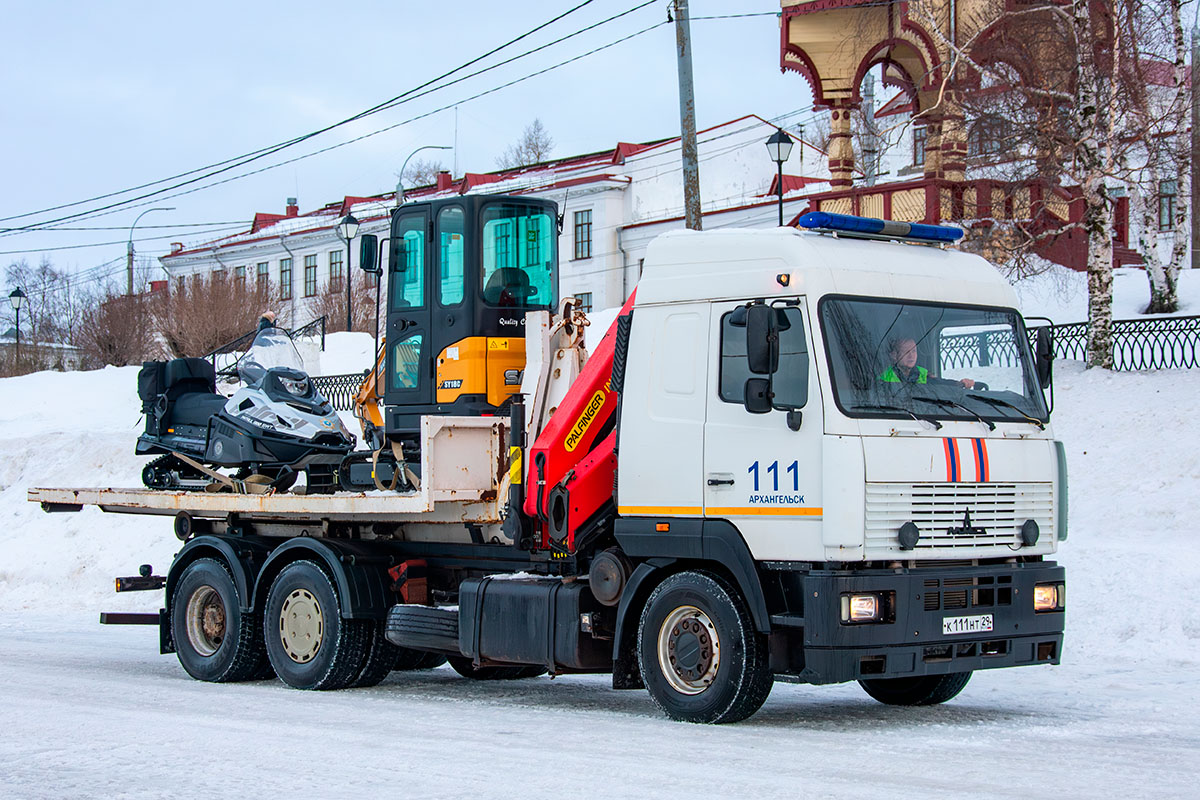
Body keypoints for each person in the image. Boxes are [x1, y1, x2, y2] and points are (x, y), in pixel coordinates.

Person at [881, 337, 974, 389]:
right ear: (894, 355)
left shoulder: (924, 375)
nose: (911, 356)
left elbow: (942, 385)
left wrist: (961, 384)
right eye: (906, 352)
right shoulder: (883, 379)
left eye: (914, 351)